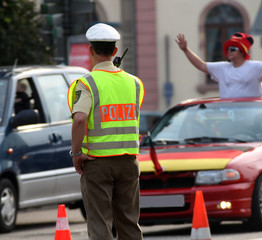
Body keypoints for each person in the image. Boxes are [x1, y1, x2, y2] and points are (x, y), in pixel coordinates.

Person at [67, 23, 145, 240]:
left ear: (90, 50)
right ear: (115, 51)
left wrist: (76, 154)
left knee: (100, 223)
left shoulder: (87, 83)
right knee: (129, 223)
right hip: (129, 162)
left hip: (97, 162)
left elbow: (80, 118)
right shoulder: (134, 83)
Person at [176, 32, 262, 98]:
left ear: (241, 51)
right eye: (228, 49)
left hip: (251, 116)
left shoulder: (254, 67)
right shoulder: (222, 67)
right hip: (228, 115)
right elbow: (201, 65)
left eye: (233, 49)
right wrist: (185, 50)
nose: (229, 51)